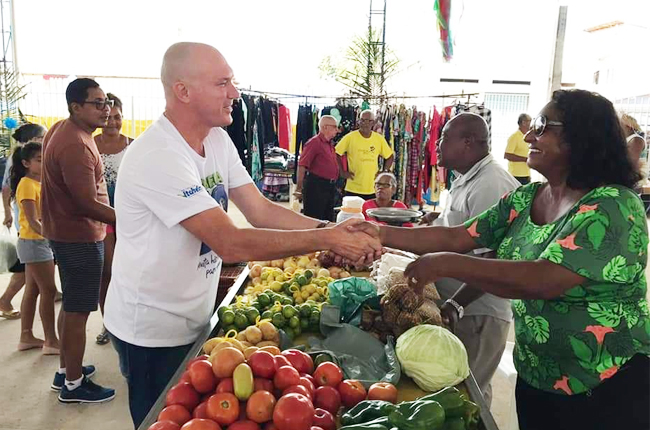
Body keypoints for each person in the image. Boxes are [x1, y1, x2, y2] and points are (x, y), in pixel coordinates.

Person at [103, 42, 381, 428]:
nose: (235, 93)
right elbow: (230, 241)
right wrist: (328, 240)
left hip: (194, 315)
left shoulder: (216, 139)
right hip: (151, 329)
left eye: (232, 82)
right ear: (183, 91)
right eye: (222, 83)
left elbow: (260, 209)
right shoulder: (158, 155)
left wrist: (330, 228)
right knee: (162, 419)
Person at [351, 90, 649, 430]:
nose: (528, 135)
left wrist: (445, 264)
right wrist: (377, 233)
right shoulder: (528, 198)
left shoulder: (614, 206)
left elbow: (543, 280)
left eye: (542, 125)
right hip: (538, 375)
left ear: (581, 136)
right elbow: (458, 236)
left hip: (605, 383)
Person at [417, 113, 520, 405]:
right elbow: (464, 233)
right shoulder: (466, 178)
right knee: (458, 389)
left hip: (478, 311)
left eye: (444, 137)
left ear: (468, 142)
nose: (436, 143)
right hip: (462, 308)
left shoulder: (491, 184)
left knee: (468, 398)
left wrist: (456, 304)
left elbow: (493, 259)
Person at [41, 78, 116, 403]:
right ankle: (73, 385)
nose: (106, 109)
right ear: (76, 107)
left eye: (107, 103)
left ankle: (65, 369)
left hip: (66, 233)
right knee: (79, 310)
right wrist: (127, 219)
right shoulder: (76, 144)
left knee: (71, 304)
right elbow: (86, 203)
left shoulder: (63, 129)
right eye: (98, 103)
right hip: (80, 237)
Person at [10, 142, 61, 354]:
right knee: (48, 291)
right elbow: (32, 220)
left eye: (44, 159)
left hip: (37, 242)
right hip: (35, 242)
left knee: (32, 289)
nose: (43, 164)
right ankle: (51, 341)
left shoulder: (40, 182)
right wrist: (54, 238)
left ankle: (26, 336)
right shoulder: (27, 184)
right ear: (25, 163)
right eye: (39, 160)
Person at [94, 92, 132, 345]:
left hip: (131, 218)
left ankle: (130, 320)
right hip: (101, 218)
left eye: (118, 117)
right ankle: (109, 323)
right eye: (109, 118)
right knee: (107, 270)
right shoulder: (90, 144)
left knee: (130, 269)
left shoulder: (134, 145)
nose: (113, 123)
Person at [0, 123, 47, 319]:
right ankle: (5, 300)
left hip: (34, 230)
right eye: (42, 137)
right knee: (25, 272)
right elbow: (6, 188)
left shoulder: (35, 171)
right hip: (30, 231)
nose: (45, 140)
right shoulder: (24, 172)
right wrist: (8, 212)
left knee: (33, 278)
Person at [336, 109, 394, 200]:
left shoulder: (379, 139)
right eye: (363, 120)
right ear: (358, 121)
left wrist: (384, 171)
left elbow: (390, 156)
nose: (365, 123)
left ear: (373, 122)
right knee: (353, 214)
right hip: (353, 188)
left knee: (370, 213)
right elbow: (336, 153)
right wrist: (342, 172)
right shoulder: (350, 137)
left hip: (373, 188)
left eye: (369, 121)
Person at [294, 115, 340, 221]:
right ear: (325, 127)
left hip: (329, 186)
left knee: (327, 217)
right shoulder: (314, 143)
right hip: (316, 186)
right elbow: (302, 165)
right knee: (314, 218)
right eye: (334, 127)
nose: (337, 130)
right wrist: (299, 188)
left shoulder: (329, 144)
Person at [504, 113, 532, 185]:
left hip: (526, 174)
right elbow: (507, 155)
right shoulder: (514, 137)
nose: (531, 123)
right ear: (523, 123)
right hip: (515, 175)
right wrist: (525, 159)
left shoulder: (528, 137)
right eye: (529, 121)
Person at [620, 113, 647, 180]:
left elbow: (630, 163)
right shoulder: (627, 139)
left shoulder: (636, 139)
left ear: (629, 125)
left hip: (633, 181)